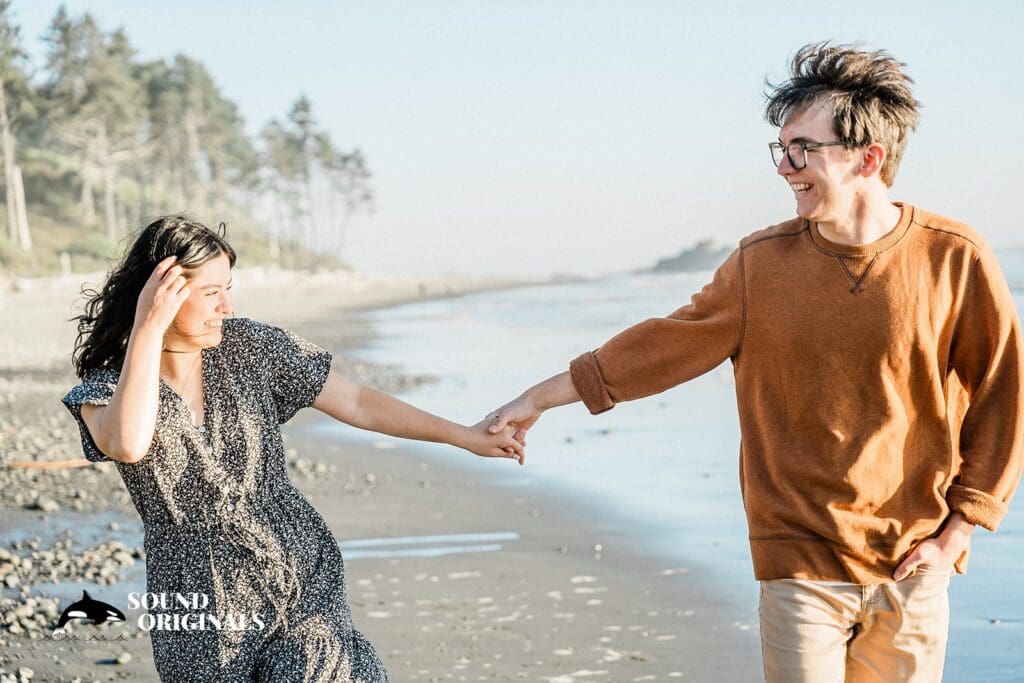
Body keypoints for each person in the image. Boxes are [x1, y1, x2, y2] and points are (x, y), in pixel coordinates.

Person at [486, 42, 1023, 681]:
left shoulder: (954, 258)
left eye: (802, 149)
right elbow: (663, 345)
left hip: (914, 561)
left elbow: (1002, 393)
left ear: (866, 158)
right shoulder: (760, 265)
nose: (784, 167)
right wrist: (539, 397)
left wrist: (957, 533)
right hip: (798, 559)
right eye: (781, 149)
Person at [62, 215, 523, 682]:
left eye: (228, 288)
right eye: (210, 293)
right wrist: (146, 329)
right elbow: (128, 443)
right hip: (196, 600)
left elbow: (357, 400)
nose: (226, 306)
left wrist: (464, 436)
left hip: (296, 566)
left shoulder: (251, 347)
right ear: (162, 295)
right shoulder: (105, 389)